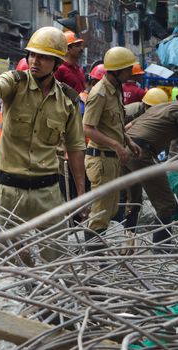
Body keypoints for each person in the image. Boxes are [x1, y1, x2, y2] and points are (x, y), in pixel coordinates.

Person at [0, 26, 86, 260]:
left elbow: (75, 149)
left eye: (43, 57)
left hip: (48, 194)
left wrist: (81, 194)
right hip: (9, 192)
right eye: (32, 55)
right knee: (4, 264)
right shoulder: (15, 82)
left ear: (56, 62)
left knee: (57, 261)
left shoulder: (67, 101)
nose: (35, 61)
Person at [83, 47, 141, 250]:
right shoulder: (99, 93)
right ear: (117, 70)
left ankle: (98, 256)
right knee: (100, 212)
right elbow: (87, 128)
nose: (130, 73)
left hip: (111, 160)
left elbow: (113, 125)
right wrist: (116, 144)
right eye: (127, 70)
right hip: (101, 160)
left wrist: (127, 141)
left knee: (109, 209)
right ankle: (93, 259)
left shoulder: (114, 90)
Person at [123, 101, 178, 247]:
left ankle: (127, 244)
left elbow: (128, 127)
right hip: (141, 153)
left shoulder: (162, 106)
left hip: (124, 150)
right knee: (166, 203)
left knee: (134, 201)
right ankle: (161, 247)